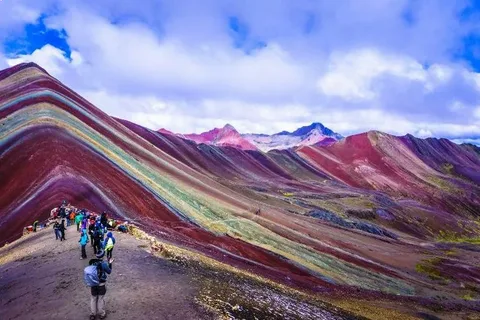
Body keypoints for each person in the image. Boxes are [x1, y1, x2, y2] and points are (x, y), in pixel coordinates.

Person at [88, 251, 113, 320]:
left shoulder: (91, 263)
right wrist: (110, 263)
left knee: (93, 298)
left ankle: (93, 314)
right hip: (101, 284)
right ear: (103, 256)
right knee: (100, 299)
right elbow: (109, 271)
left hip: (93, 284)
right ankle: (101, 314)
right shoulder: (103, 264)